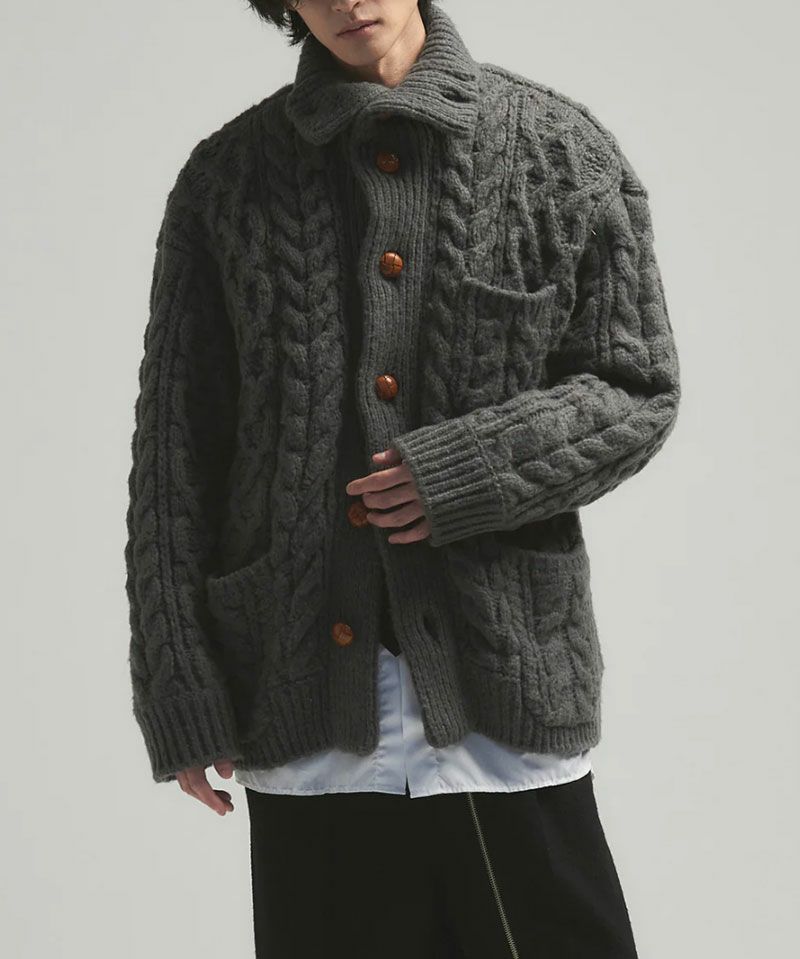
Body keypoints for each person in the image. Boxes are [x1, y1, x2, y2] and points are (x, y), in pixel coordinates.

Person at [124, 1, 681, 956]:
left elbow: (636, 387)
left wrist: (466, 469)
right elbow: (176, 449)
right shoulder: (227, 180)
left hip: (501, 689)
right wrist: (179, 682)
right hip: (303, 699)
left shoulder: (560, 152)